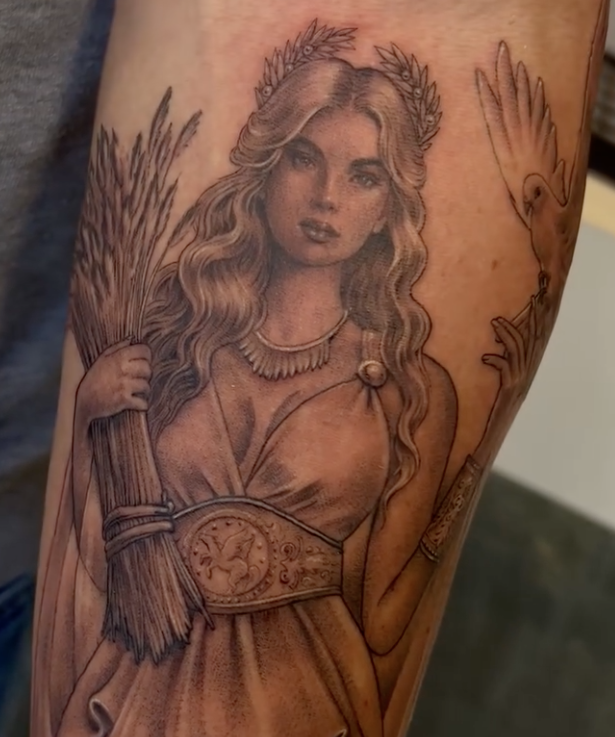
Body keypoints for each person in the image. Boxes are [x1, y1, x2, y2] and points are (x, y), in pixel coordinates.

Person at [27, 2, 607, 736]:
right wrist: (93, 406)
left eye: (364, 176)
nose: (326, 199)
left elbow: (384, 616)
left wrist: (462, 465)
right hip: (106, 649)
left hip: (300, 690)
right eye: (304, 158)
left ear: (390, 206)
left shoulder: (409, 393)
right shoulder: (176, 339)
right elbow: (102, 559)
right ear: (266, 164)